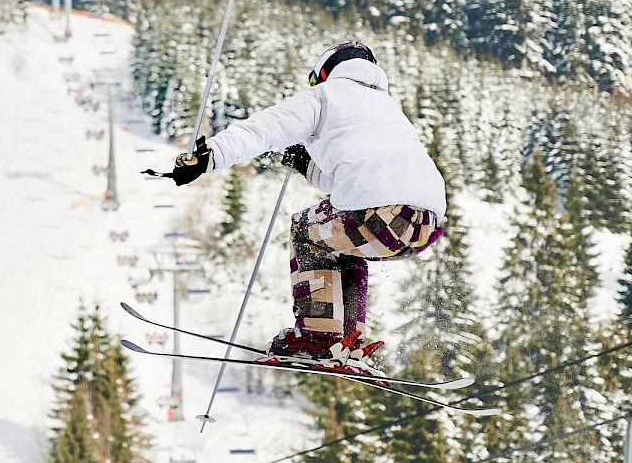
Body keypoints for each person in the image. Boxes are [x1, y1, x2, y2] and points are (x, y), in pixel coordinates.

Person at [167, 40, 446, 369]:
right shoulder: (388, 108)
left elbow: (263, 129)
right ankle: (348, 339)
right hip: (427, 224)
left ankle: (319, 337)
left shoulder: (325, 96)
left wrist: (208, 156)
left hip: (378, 215)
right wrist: (307, 166)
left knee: (306, 229)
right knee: (341, 241)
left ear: (324, 73)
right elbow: (353, 180)